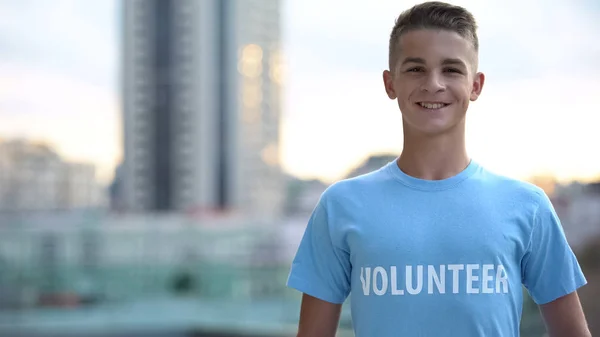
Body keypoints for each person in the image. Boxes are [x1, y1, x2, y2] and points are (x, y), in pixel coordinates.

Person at [285, 1, 590, 336]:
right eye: (416, 69)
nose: (433, 84)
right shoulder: (340, 205)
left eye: (452, 70)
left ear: (476, 85)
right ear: (390, 83)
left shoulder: (528, 207)